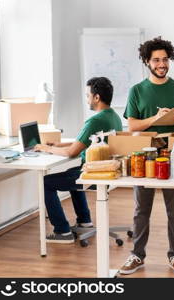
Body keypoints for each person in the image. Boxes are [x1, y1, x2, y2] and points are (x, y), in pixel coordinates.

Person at [120, 37, 174, 276]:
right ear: (147, 62)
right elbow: (132, 126)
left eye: (165, 59)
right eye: (156, 60)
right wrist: (154, 119)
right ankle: (137, 255)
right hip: (143, 156)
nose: (162, 64)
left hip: (173, 155)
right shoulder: (137, 90)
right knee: (142, 209)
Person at [35, 77, 123, 243]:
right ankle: (85, 221)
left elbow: (71, 152)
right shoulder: (113, 116)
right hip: (108, 171)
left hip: (93, 174)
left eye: (87, 95)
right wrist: (58, 144)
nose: (87, 99)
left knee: (46, 182)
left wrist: (46, 148)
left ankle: (62, 231)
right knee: (70, 173)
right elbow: (84, 141)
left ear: (96, 97)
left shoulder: (94, 120)